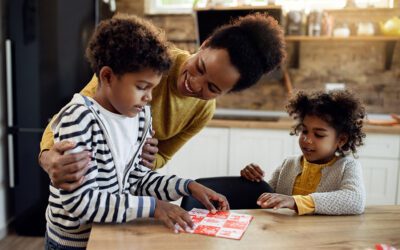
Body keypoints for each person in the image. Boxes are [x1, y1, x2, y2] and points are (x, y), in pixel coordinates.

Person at [39, 13, 286, 191]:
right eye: (200, 67)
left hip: (126, 198)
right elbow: (72, 114)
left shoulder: (202, 111)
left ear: (227, 92)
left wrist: (149, 158)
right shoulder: (146, 62)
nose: (195, 84)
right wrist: (49, 158)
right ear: (205, 44)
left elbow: (161, 159)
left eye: (212, 87)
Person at [44, 14, 229, 249]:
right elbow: (81, 203)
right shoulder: (79, 119)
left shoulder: (140, 116)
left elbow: (138, 180)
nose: (149, 97)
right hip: (74, 243)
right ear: (107, 76)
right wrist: (153, 207)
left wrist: (188, 186)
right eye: (142, 87)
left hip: (114, 233)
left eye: (152, 88)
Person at [240, 90, 366, 215]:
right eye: (304, 131)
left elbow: (356, 200)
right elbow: (265, 197)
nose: (307, 139)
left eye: (319, 135)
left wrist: (295, 201)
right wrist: (252, 180)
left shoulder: (347, 167)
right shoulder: (288, 164)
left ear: (341, 140)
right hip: (285, 232)